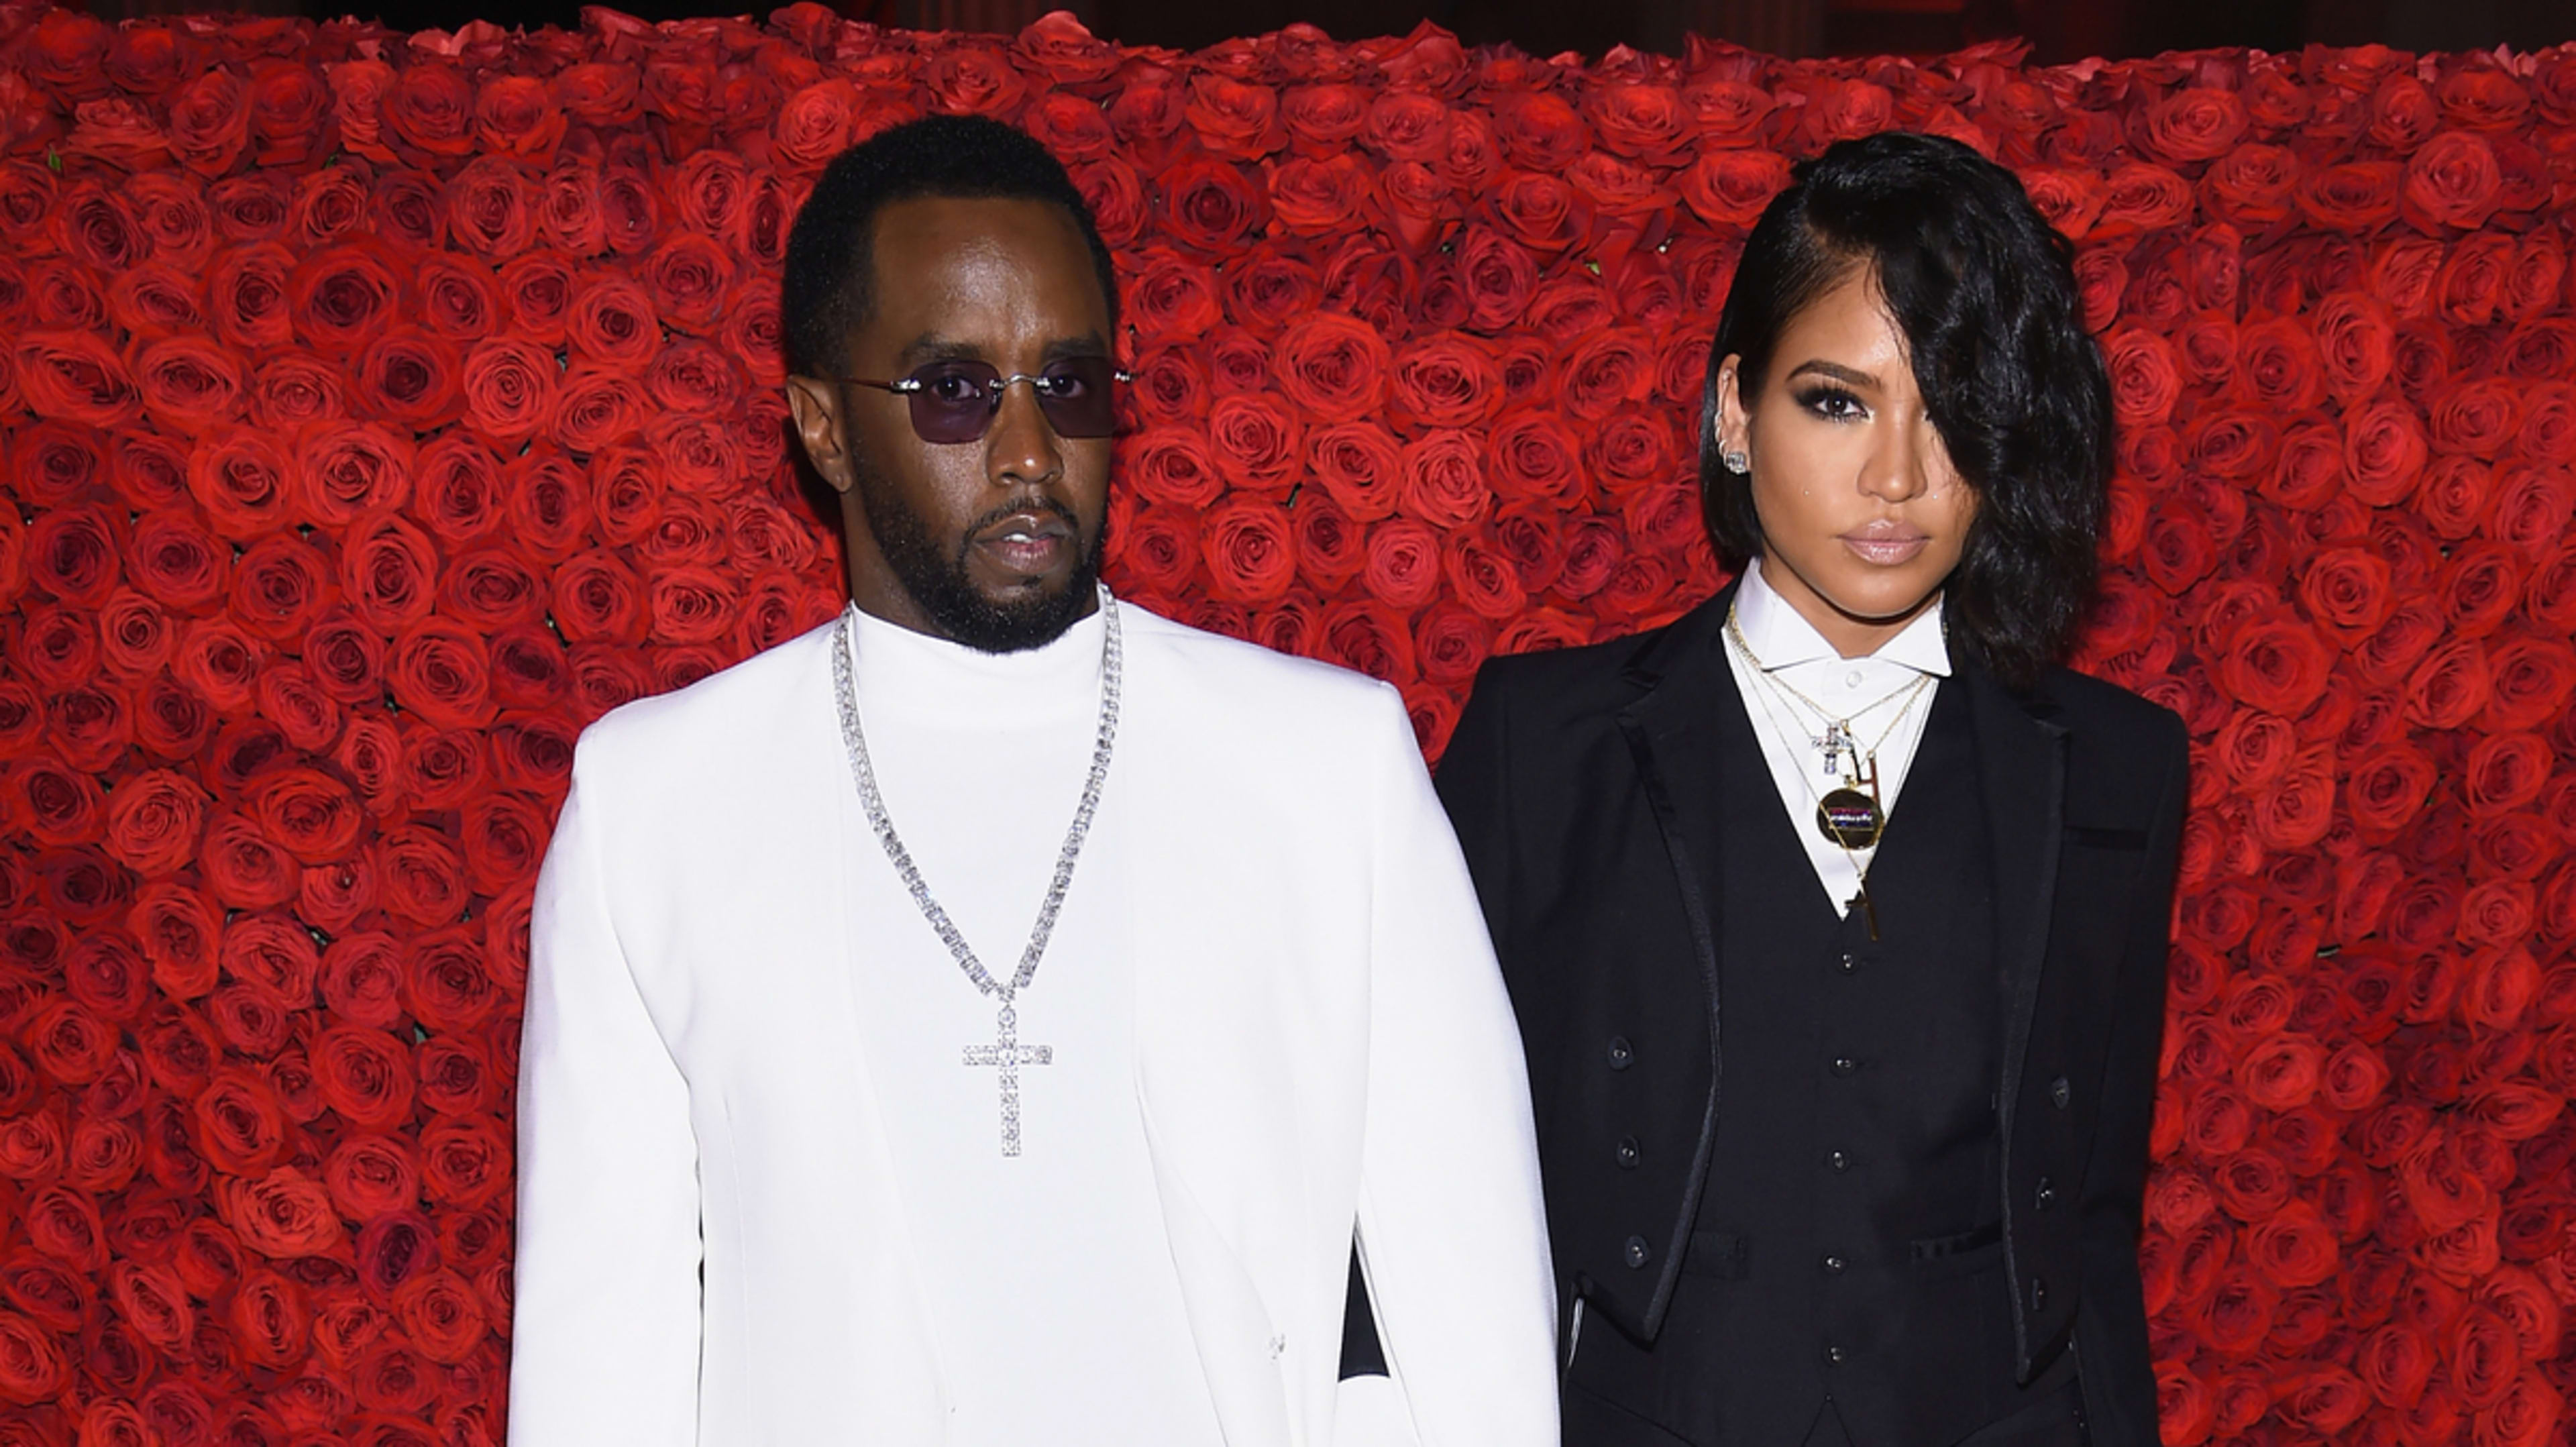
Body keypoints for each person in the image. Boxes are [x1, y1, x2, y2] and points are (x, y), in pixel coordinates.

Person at [506, 114, 1556, 1446]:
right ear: (824, 428)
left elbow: (1471, 1316)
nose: (1024, 450)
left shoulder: (1324, 766)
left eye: (1067, 385)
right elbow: (603, 1360)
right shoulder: (656, 806)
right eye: (954, 388)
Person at [1435, 131, 2186, 1447]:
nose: (1896, 475)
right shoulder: (1539, 744)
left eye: (1950, 406)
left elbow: (2093, 1223)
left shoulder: (2117, 768)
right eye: (1837, 400)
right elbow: (1427, 1175)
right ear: (1735, 408)